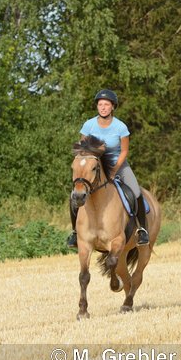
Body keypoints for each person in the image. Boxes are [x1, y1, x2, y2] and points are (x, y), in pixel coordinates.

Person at [67, 89, 149, 249]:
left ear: (112, 107)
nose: (103, 107)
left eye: (106, 104)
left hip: (117, 165)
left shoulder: (120, 127)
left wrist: (115, 169)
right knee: (74, 195)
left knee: (135, 191)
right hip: (93, 167)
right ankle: (75, 233)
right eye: (100, 104)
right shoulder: (88, 125)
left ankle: (141, 229)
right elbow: (83, 149)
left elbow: (124, 151)